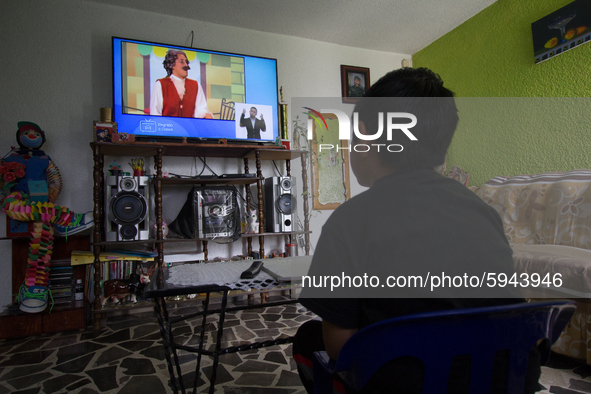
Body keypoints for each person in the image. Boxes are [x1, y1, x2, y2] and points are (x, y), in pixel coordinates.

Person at [293, 68, 540, 393]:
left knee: (308, 339)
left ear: (364, 136)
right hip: (507, 379)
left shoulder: (349, 220)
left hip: (409, 383)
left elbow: (341, 346)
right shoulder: (482, 210)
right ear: (441, 144)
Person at [149, 49, 212, 119]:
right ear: (172, 65)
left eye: (187, 62)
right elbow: (155, 113)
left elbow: (200, 109)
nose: (186, 65)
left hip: (189, 128)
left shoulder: (195, 85)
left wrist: (205, 115)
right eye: (182, 62)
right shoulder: (160, 84)